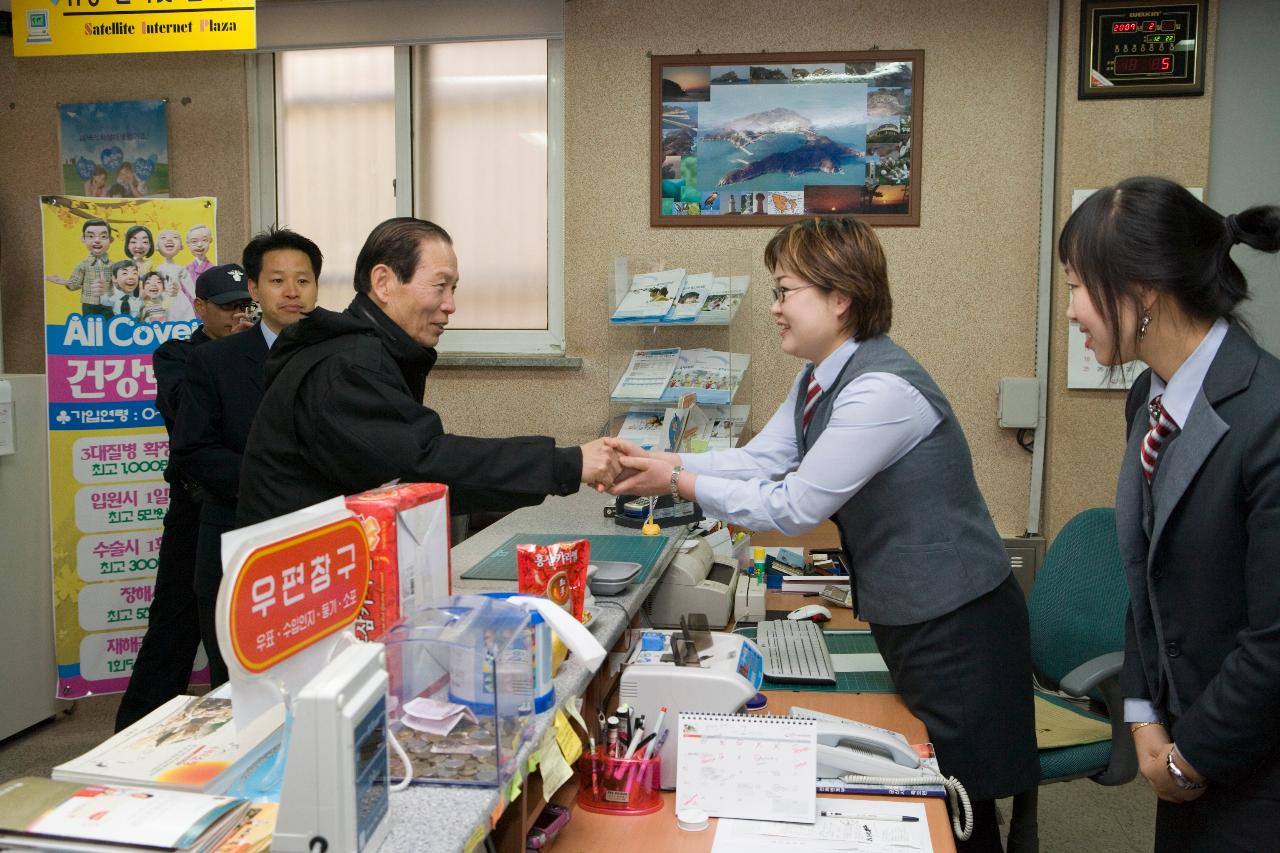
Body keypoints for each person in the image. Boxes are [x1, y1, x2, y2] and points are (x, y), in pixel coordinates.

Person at [606, 216, 1038, 852]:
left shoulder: (881, 389)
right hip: (913, 611)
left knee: (959, 809)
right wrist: (664, 462)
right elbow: (760, 461)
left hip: (959, 623)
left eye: (786, 292)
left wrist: (675, 484)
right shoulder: (818, 379)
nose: (776, 308)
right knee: (934, 787)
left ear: (841, 297)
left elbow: (794, 504)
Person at [1060, 176, 1280, 853]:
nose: (1070, 310)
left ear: (1141, 290)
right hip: (1180, 752)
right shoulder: (1151, 399)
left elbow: (1276, 638)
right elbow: (1147, 575)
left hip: (1254, 762)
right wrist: (1143, 716)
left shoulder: (1266, 416)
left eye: (1076, 285)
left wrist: (1191, 754)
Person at [235, 216, 620, 528]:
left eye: (454, 288)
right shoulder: (345, 368)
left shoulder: (371, 352)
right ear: (384, 283)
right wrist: (569, 463)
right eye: (439, 287)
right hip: (301, 592)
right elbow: (422, 466)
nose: (450, 305)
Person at [171, 230, 321, 686]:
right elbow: (193, 451)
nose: (292, 292)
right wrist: (272, 483)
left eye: (304, 280)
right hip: (236, 541)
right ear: (254, 289)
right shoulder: (214, 361)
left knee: (318, 678)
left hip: (319, 545)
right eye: (277, 280)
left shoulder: (343, 357)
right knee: (239, 686)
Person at [114, 265, 255, 732]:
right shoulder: (178, 355)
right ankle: (135, 733)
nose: (239, 316)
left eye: (244, 306)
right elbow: (184, 411)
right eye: (228, 307)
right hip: (195, 509)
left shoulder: (262, 355)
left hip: (248, 505)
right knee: (174, 624)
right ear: (200, 309)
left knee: (241, 626)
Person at [46, 218, 113, 316]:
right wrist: (65, 282)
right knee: (89, 327)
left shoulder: (113, 265)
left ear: (110, 240)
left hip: (109, 303)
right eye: (91, 236)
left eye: (103, 236)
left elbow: (119, 285)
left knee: (109, 327)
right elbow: (74, 284)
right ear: (83, 239)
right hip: (89, 304)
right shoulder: (83, 265)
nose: (97, 240)